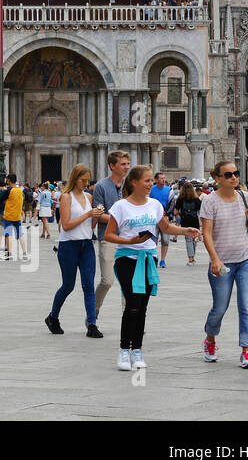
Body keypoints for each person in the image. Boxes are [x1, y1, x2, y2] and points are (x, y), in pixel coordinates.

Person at [103, 164, 201, 370]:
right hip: (126, 258)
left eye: (151, 181)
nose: (151, 184)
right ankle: (123, 351)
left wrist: (186, 231)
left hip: (149, 257)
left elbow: (165, 227)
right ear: (134, 183)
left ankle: (137, 350)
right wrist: (129, 241)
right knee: (132, 304)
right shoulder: (121, 206)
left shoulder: (155, 204)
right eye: (147, 181)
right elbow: (108, 234)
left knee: (143, 307)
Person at [199, 160, 248, 369]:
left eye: (236, 173)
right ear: (217, 178)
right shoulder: (209, 201)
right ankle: (210, 339)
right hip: (222, 261)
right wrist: (214, 259)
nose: (234, 177)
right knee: (220, 307)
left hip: (247, 258)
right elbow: (206, 233)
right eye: (228, 175)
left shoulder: (244, 196)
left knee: (247, 305)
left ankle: (247, 350)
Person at [45, 164, 104, 338]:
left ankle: (92, 324)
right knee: (68, 285)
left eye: (88, 180)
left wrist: (96, 216)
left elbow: (90, 226)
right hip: (69, 245)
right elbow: (66, 225)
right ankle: (53, 316)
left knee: (88, 285)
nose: (86, 183)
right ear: (75, 178)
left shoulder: (89, 197)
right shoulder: (66, 197)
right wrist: (87, 214)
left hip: (86, 244)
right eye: (83, 180)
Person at [92, 150, 130, 307]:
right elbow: (99, 214)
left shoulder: (131, 185)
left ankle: (130, 323)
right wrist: (119, 219)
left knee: (128, 284)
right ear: (112, 166)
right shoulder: (101, 186)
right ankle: (93, 313)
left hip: (128, 239)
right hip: (107, 238)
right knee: (107, 281)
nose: (127, 167)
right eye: (123, 164)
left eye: (128, 164)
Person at [174, 180, 203, 265]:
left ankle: (191, 259)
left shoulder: (181, 199)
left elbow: (176, 209)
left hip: (185, 220)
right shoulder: (196, 199)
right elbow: (199, 209)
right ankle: (192, 257)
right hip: (194, 220)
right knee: (194, 240)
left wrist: (178, 215)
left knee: (188, 240)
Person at [150, 171, 173, 267]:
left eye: (164, 178)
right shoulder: (151, 190)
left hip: (165, 217)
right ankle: (153, 257)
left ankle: (163, 260)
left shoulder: (169, 190)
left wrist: (167, 213)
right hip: (153, 218)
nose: (163, 180)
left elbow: (171, 203)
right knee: (152, 239)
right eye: (161, 178)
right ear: (156, 180)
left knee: (165, 240)